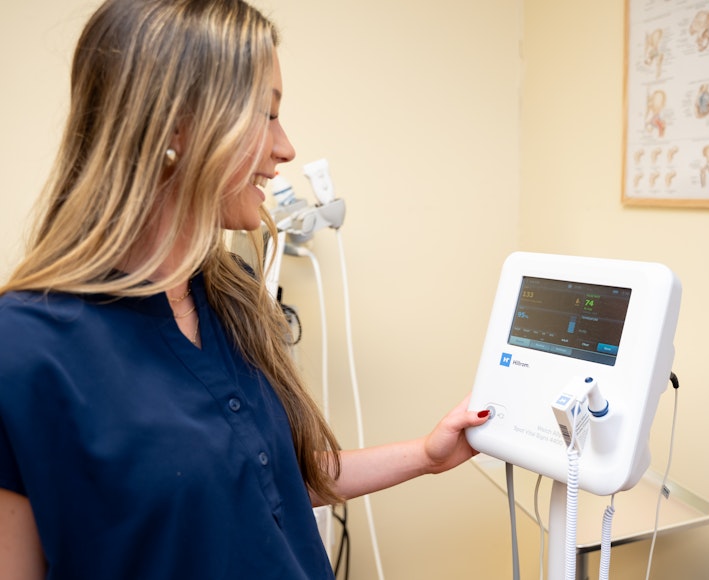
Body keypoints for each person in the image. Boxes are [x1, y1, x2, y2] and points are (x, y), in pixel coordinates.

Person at [0, 0, 490, 578]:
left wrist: (427, 456)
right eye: (267, 114)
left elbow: (269, 478)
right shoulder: (25, 350)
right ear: (176, 124)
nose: (285, 148)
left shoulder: (229, 296)